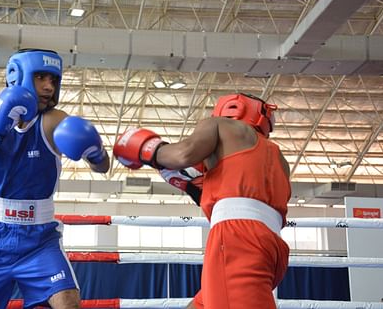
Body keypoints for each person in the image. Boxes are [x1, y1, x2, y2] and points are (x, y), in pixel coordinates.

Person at [0, 49, 110, 309]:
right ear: (17, 77)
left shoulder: (55, 121)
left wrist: (95, 152)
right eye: (40, 77)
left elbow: (102, 167)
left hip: (40, 240)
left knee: (68, 302)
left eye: (53, 80)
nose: (48, 87)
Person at [113, 93, 291, 309]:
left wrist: (149, 149)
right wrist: (193, 187)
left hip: (238, 241)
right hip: (273, 248)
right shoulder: (279, 159)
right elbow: (241, 198)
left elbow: (183, 154)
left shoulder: (219, 126)